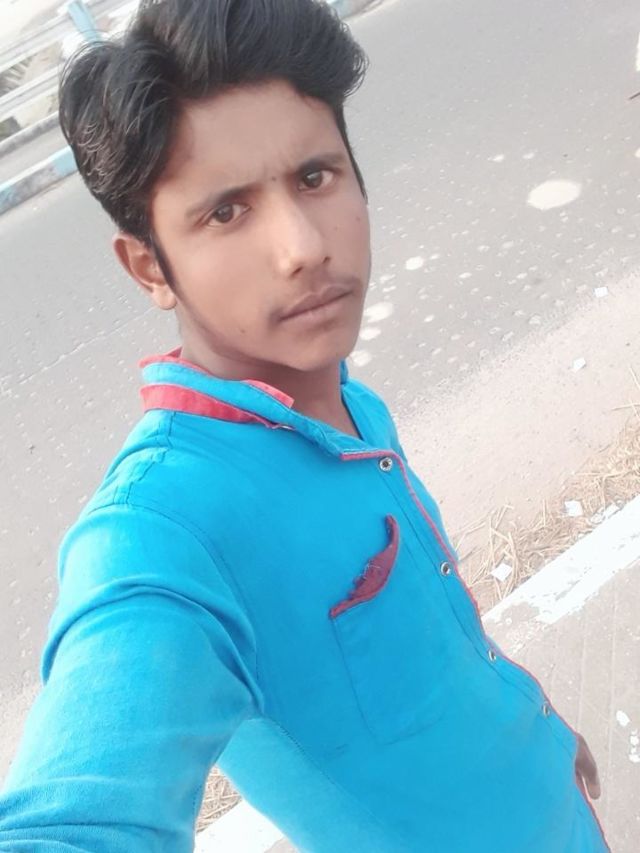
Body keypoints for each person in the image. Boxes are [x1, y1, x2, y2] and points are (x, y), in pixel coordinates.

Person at [0, 1, 608, 850]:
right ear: (149, 267)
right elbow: (75, 819)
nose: (302, 247)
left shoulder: (346, 403)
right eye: (226, 212)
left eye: (315, 177)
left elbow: (433, 645)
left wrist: (536, 728)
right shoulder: (168, 528)